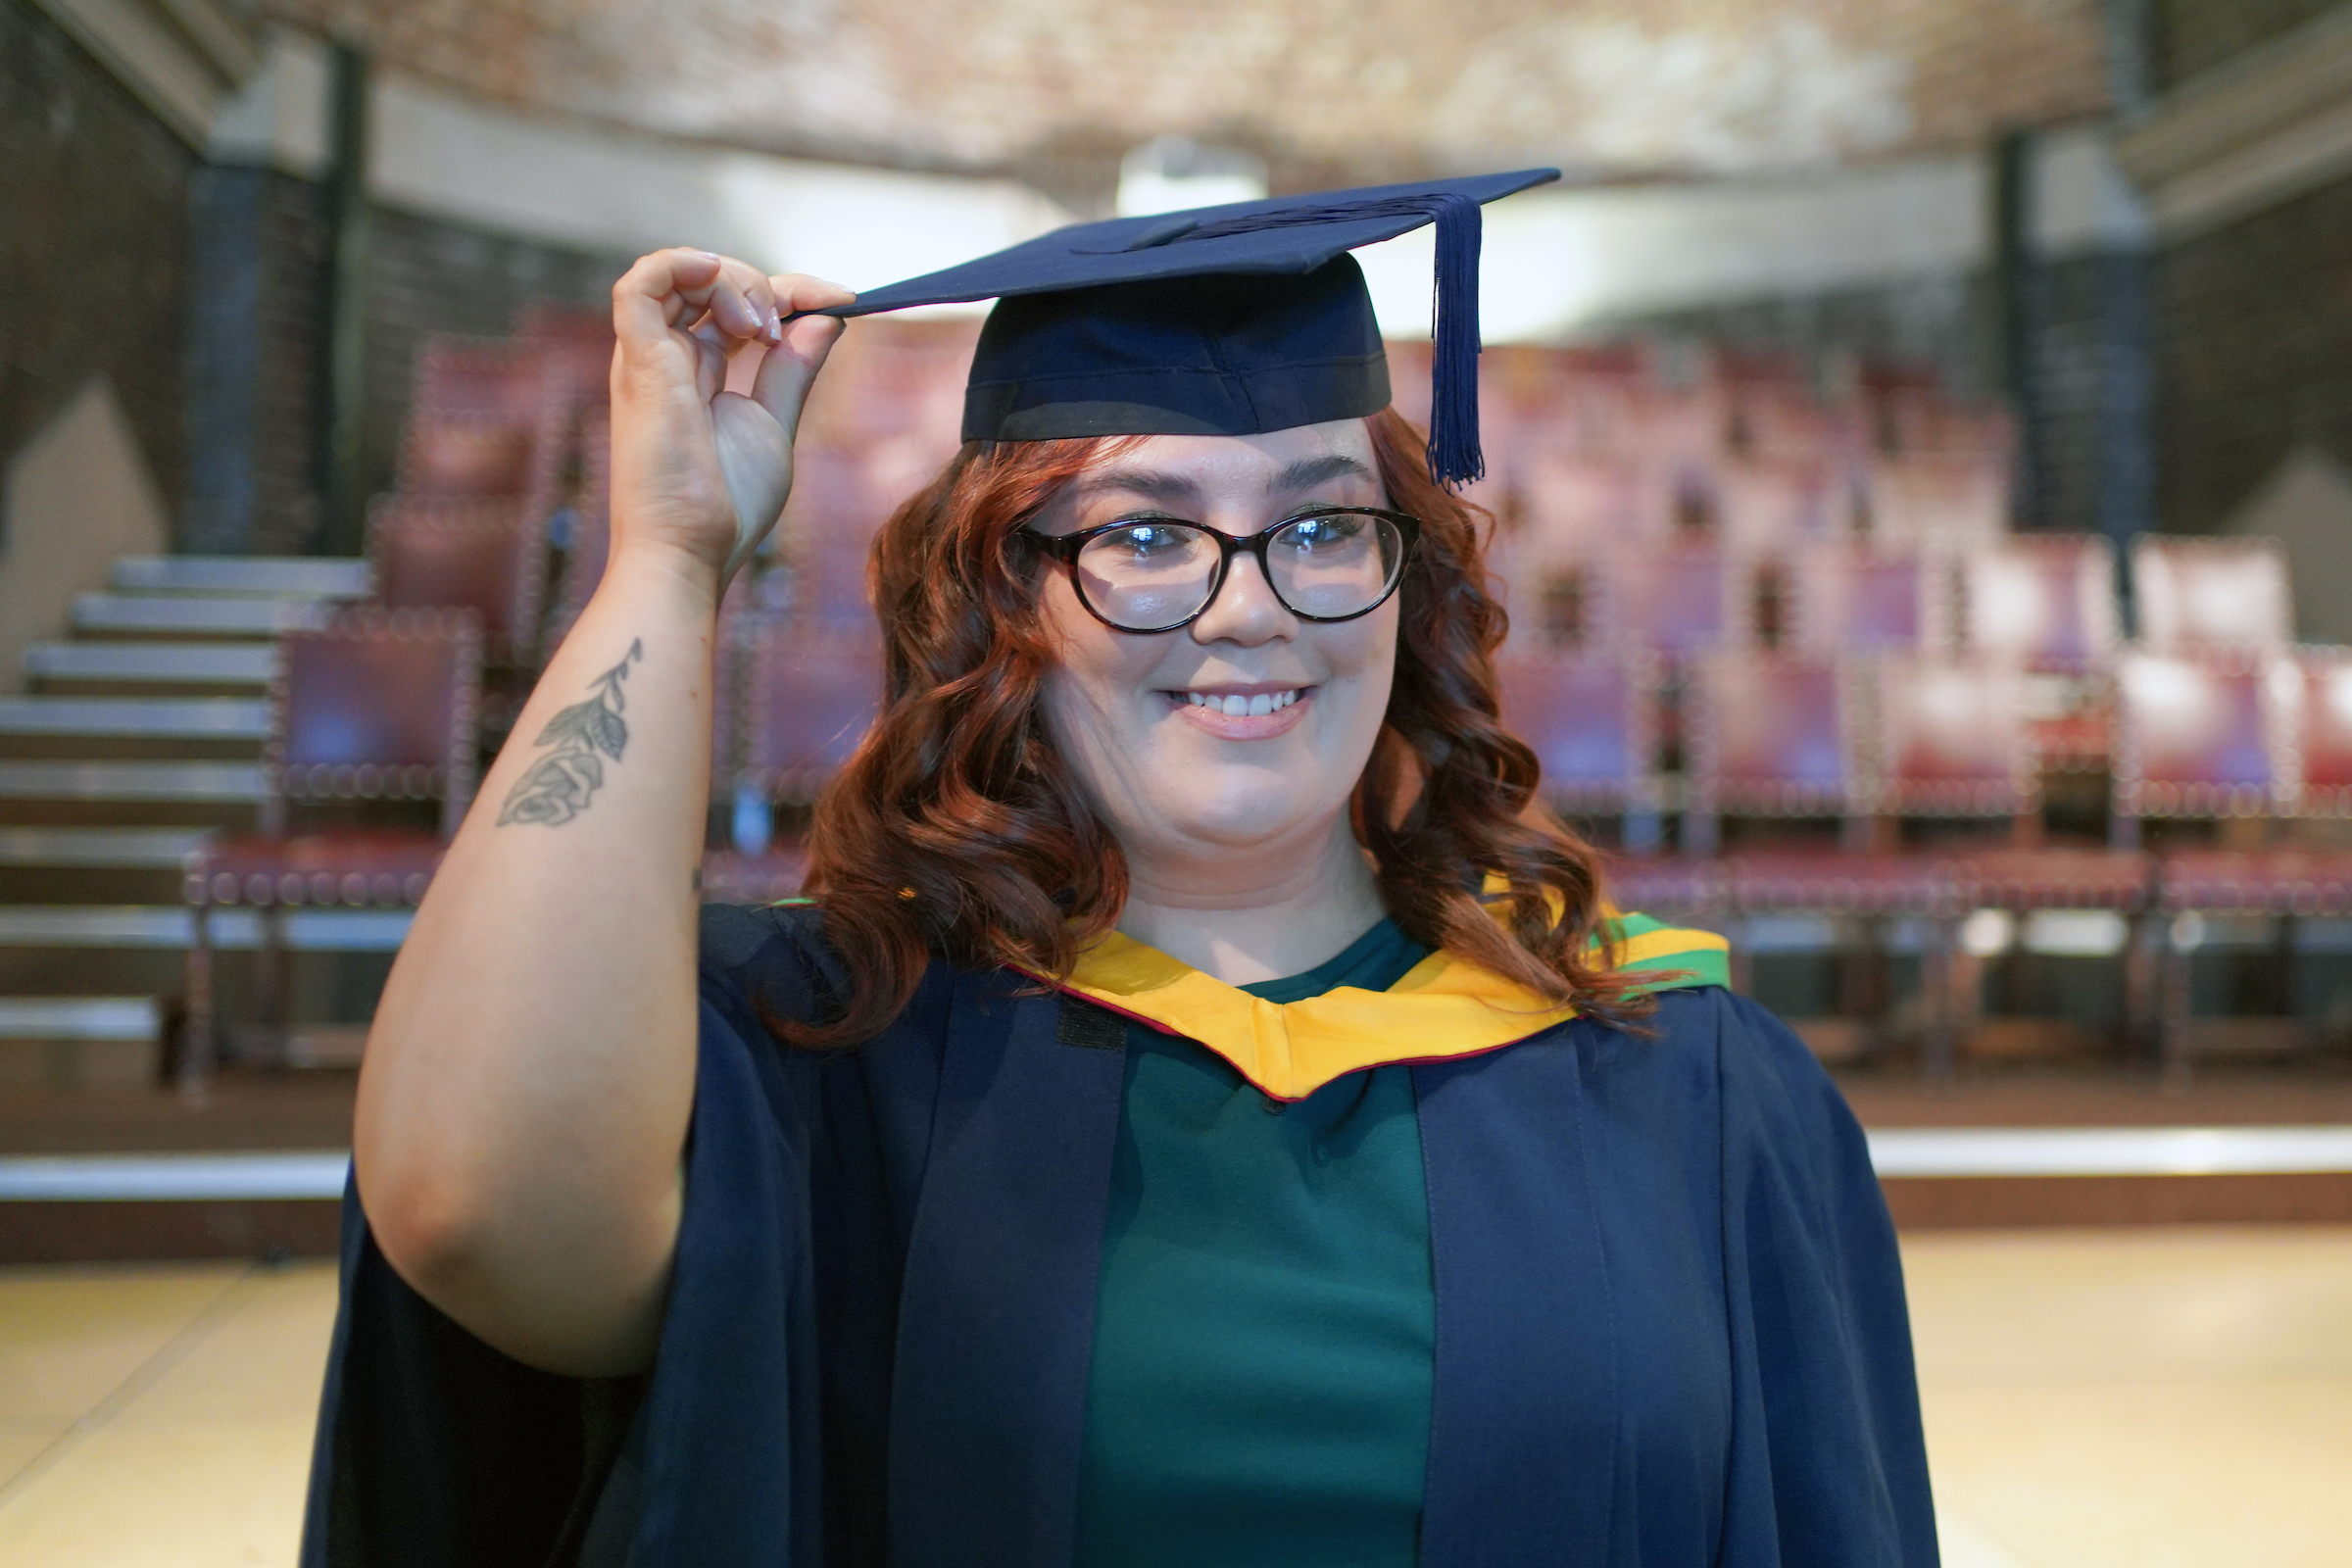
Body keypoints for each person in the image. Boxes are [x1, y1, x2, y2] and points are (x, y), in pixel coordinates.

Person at [303, 172, 1937, 1567]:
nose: (1251, 606)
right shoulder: (825, 1060)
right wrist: (670, 548)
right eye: (1142, 535)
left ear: (1404, 579)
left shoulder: (1691, 1083)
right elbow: (469, 1210)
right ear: (1001, 602)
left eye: (1321, 527)